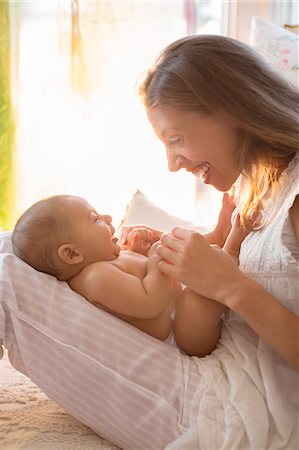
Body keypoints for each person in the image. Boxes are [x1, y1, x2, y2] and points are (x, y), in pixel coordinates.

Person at [2, 34, 298, 450]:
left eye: (176, 139)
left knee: (5, 276)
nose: (172, 164)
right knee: (11, 246)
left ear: (233, 109)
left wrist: (229, 285)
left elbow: (222, 282)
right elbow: (222, 258)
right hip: (223, 356)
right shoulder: (260, 182)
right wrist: (185, 252)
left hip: (244, 406)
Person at [11, 192, 247, 356]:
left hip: (179, 303)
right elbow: (150, 302)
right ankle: (231, 250)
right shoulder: (95, 278)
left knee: (171, 244)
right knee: (194, 296)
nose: (108, 218)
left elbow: (142, 277)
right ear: (72, 254)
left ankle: (218, 234)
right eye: (95, 219)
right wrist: (155, 259)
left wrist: (140, 251)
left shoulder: (108, 260)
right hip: (183, 332)